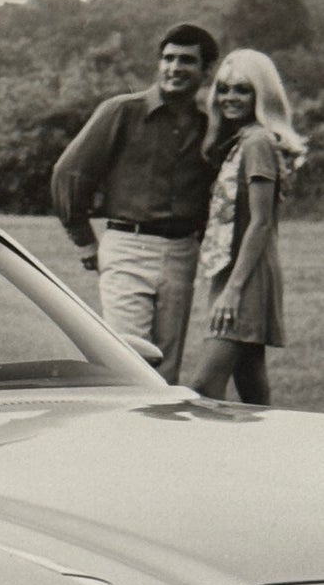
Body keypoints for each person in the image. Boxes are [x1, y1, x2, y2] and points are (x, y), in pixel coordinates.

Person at [51, 23, 219, 383]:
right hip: (128, 245)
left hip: (182, 252)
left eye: (187, 60)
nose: (175, 68)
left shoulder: (210, 123)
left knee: (167, 367)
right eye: (169, 58)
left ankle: (161, 422)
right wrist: (84, 241)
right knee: (129, 359)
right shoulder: (121, 111)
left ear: (206, 70)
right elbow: (69, 173)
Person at [190, 49, 306, 404]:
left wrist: (233, 291)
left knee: (204, 386)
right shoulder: (241, 141)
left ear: (261, 93)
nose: (230, 98)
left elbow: (261, 222)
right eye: (224, 89)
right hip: (234, 272)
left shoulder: (257, 142)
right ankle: (270, 442)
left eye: (242, 89)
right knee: (252, 387)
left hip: (247, 277)